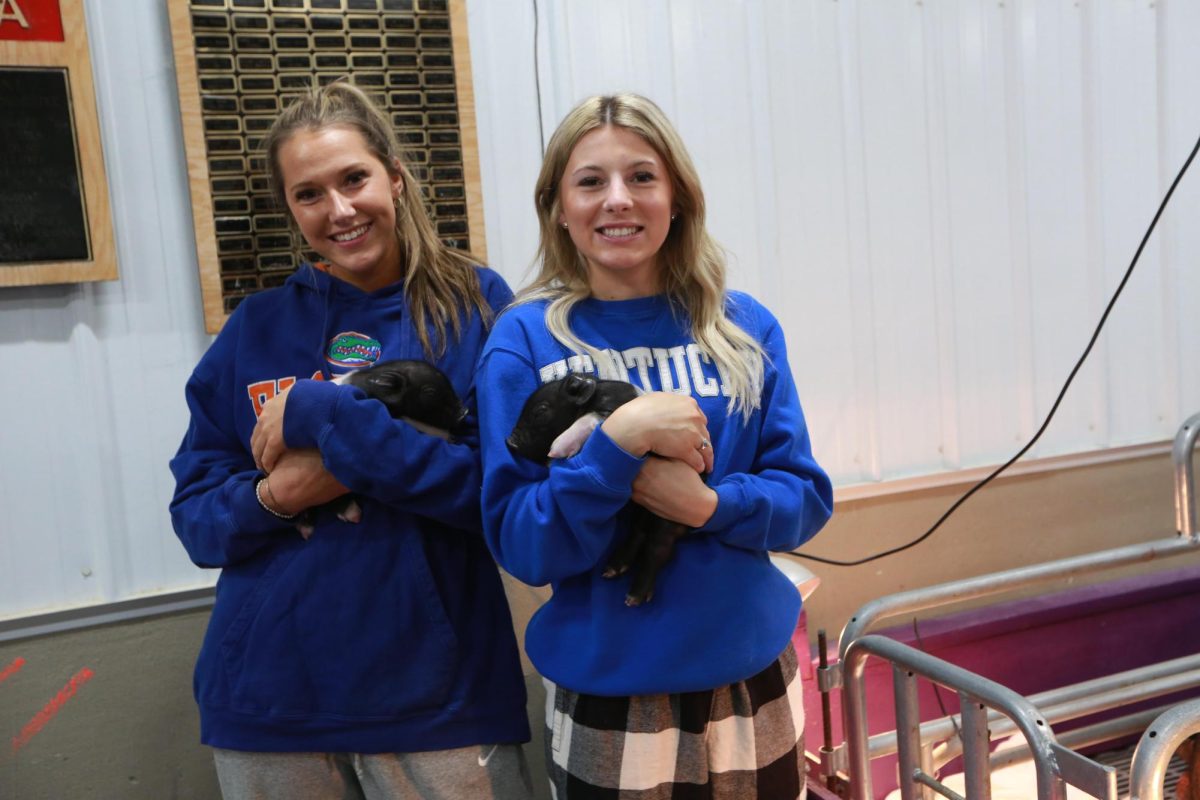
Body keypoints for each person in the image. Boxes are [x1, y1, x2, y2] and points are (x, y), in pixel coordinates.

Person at [169, 81, 532, 800]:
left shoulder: (477, 308)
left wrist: (335, 430)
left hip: (441, 699)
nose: (338, 209)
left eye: (354, 178)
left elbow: (502, 498)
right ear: (291, 212)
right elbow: (197, 522)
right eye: (309, 194)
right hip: (269, 703)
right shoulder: (256, 329)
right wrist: (278, 495)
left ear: (393, 178)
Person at [477, 93, 834, 799]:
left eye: (642, 177)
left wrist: (707, 505)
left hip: (751, 677)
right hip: (609, 690)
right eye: (590, 181)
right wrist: (616, 448)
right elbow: (522, 544)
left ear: (677, 196)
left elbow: (804, 498)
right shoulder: (522, 341)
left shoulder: (742, 328)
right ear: (558, 206)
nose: (618, 201)